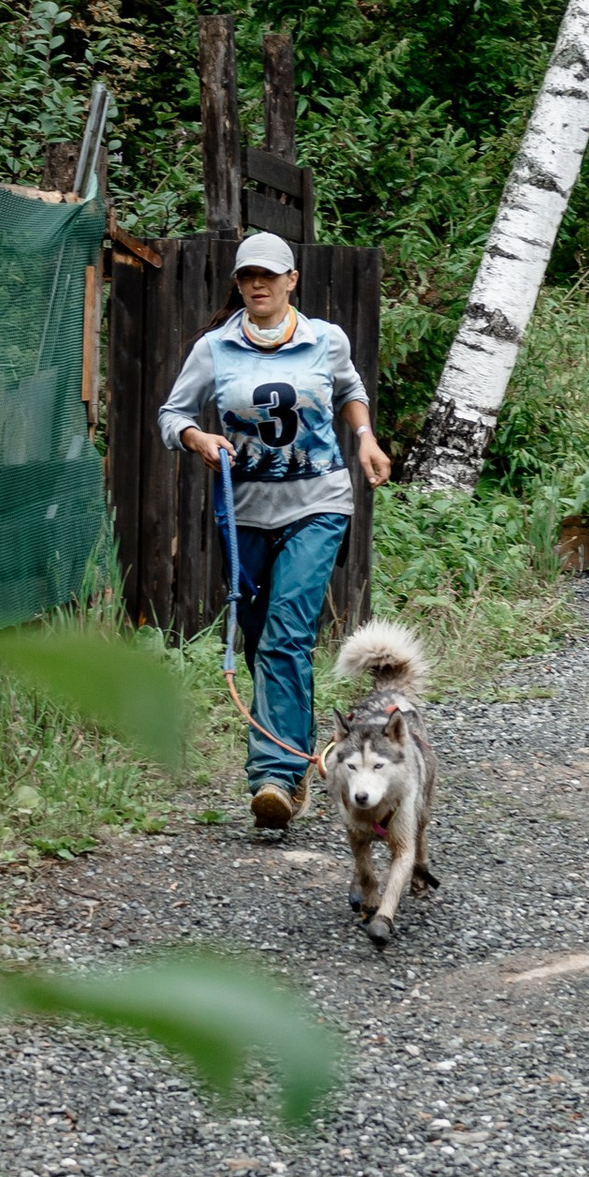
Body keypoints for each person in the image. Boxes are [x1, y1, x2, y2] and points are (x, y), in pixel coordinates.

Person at [159, 230, 389, 831]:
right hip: (243, 511)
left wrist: (365, 438)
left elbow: (350, 390)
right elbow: (172, 415)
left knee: (287, 633)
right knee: (261, 638)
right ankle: (300, 752)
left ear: (292, 280)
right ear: (237, 284)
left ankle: (274, 777)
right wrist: (198, 438)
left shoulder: (325, 339)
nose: (257, 284)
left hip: (318, 504)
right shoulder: (214, 349)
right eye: (247, 275)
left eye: (269, 274)